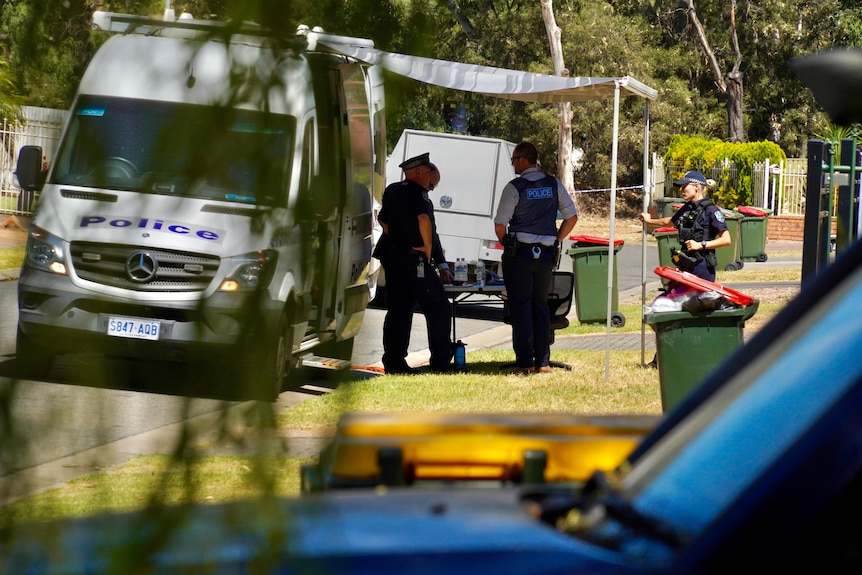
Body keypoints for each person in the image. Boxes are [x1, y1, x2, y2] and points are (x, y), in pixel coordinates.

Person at [493, 142, 578, 374]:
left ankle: (525, 362)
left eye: (514, 160)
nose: (513, 165)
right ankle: (543, 362)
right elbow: (571, 217)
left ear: (522, 160)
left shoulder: (515, 187)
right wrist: (557, 239)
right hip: (545, 254)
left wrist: (507, 243)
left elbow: (500, 224)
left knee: (521, 307)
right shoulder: (553, 184)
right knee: (540, 306)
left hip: (520, 253)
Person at [374, 153, 453, 374]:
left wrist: (399, 237)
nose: (432, 189)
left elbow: (383, 220)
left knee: (399, 310)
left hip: (393, 258)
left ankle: (394, 362)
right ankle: (440, 362)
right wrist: (428, 250)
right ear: (419, 172)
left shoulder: (392, 189)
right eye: (432, 183)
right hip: (414, 260)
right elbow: (425, 222)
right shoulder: (418, 194)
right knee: (438, 307)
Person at [639, 170, 731, 282]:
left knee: (699, 299)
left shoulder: (711, 210)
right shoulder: (688, 207)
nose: (681, 190)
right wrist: (649, 221)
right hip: (686, 262)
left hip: (703, 266)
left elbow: (726, 240)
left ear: (696, 187)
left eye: (684, 186)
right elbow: (669, 222)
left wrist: (700, 245)